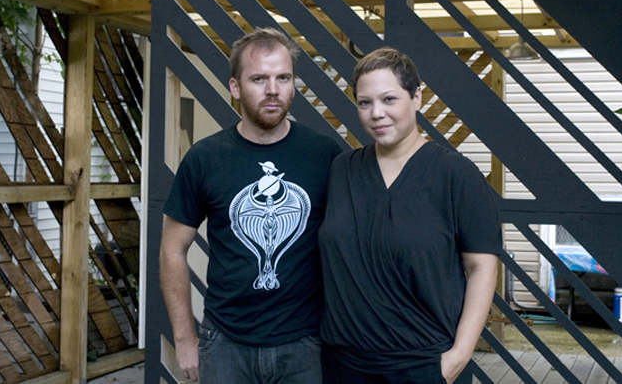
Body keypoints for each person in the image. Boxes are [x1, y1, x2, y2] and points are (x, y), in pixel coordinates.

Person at [160, 27, 343, 383]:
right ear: (235, 87)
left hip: (306, 345)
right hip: (226, 343)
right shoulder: (205, 158)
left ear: (293, 84)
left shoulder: (325, 155)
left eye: (283, 78)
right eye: (259, 78)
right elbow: (172, 250)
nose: (273, 90)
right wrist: (184, 340)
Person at [318, 47, 502, 384]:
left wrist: (457, 358)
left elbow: (482, 268)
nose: (376, 113)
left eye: (389, 99)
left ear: (417, 97)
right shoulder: (342, 170)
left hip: (424, 366)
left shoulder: (455, 175)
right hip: (342, 365)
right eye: (364, 102)